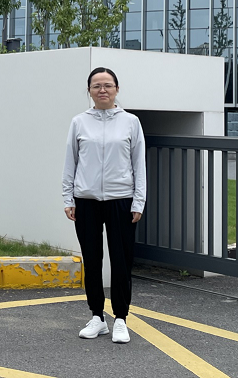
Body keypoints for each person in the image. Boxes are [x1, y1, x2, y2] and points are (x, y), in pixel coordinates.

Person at [62, 67, 146, 344]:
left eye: (107, 85)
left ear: (116, 89)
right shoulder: (79, 122)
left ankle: (120, 318)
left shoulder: (131, 122)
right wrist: (68, 197)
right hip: (86, 200)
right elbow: (71, 162)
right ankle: (97, 316)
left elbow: (139, 164)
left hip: (121, 200)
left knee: (121, 260)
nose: (102, 90)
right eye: (96, 85)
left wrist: (139, 200)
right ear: (89, 91)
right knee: (92, 259)